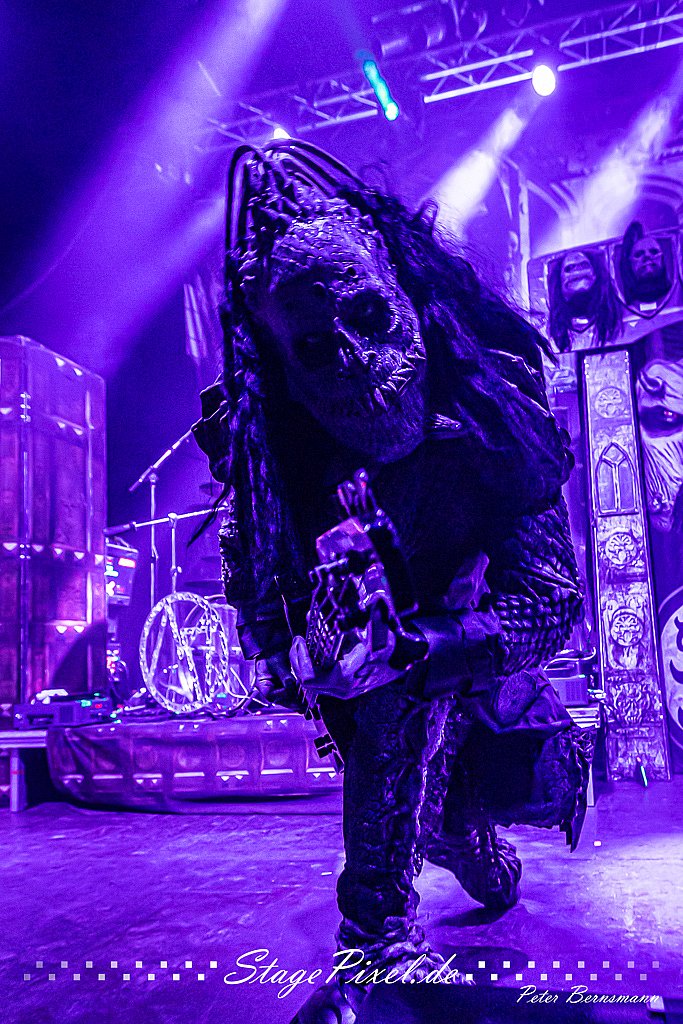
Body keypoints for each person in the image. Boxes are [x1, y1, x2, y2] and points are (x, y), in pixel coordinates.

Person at [193, 140, 591, 1023]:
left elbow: (551, 594)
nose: (352, 362)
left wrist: (441, 643)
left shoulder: (488, 417)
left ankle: (385, 925)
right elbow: (260, 573)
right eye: (314, 348)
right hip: (369, 663)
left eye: (367, 317)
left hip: (472, 650)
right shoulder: (286, 462)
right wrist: (296, 647)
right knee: (419, 774)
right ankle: (401, 908)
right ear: (287, 367)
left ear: (406, 301)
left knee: (469, 798)